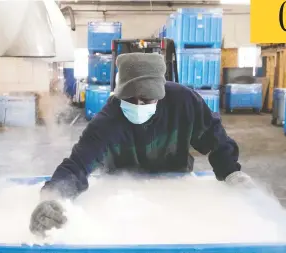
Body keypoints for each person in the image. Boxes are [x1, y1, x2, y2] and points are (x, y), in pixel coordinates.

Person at [29, 53, 254, 236]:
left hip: (177, 189)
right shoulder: (108, 121)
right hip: (123, 197)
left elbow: (214, 136)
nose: (138, 105)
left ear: (160, 92)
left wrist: (230, 172)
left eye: (146, 99)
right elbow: (77, 165)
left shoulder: (184, 102)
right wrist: (53, 197)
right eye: (130, 99)